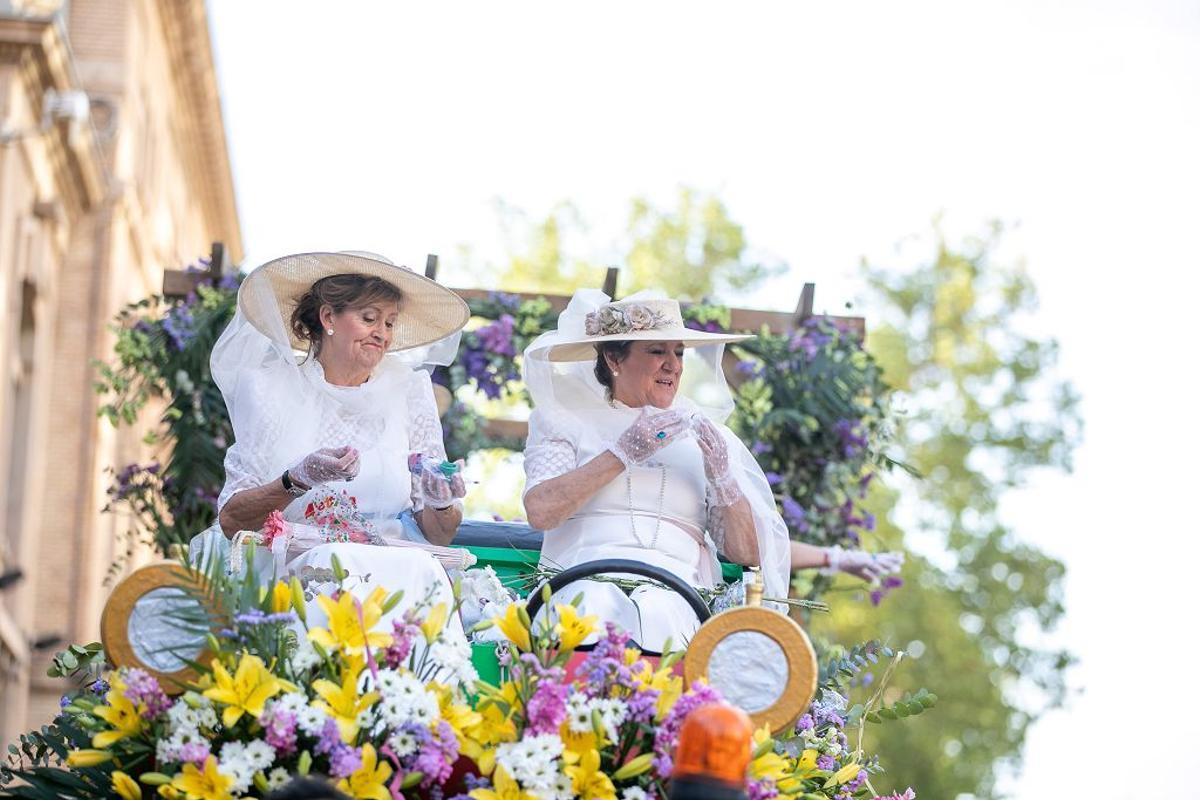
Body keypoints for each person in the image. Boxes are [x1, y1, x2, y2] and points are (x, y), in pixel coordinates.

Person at [522, 289, 901, 652]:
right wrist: (621, 453)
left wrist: (722, 475)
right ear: (614, 360)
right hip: (580, 582)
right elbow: (541, 511)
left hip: (677, 595)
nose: (673, 365)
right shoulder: (563, 420)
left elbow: (747, 551)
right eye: (657, 351)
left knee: (662, 612)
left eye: (680, 352)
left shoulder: (705, 434)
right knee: (594, 601)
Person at [194, 251, 470, 630]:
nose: (383, 334)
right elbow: (232, 520)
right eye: (369, 318)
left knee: (425, 571)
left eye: (389, 322)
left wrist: (441, 502)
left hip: (397, 573)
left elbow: (442, 533)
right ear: (328, 318)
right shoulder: (270, 390)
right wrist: (298, 479)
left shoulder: (410, 392)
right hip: (301, 576)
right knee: (333, 566)